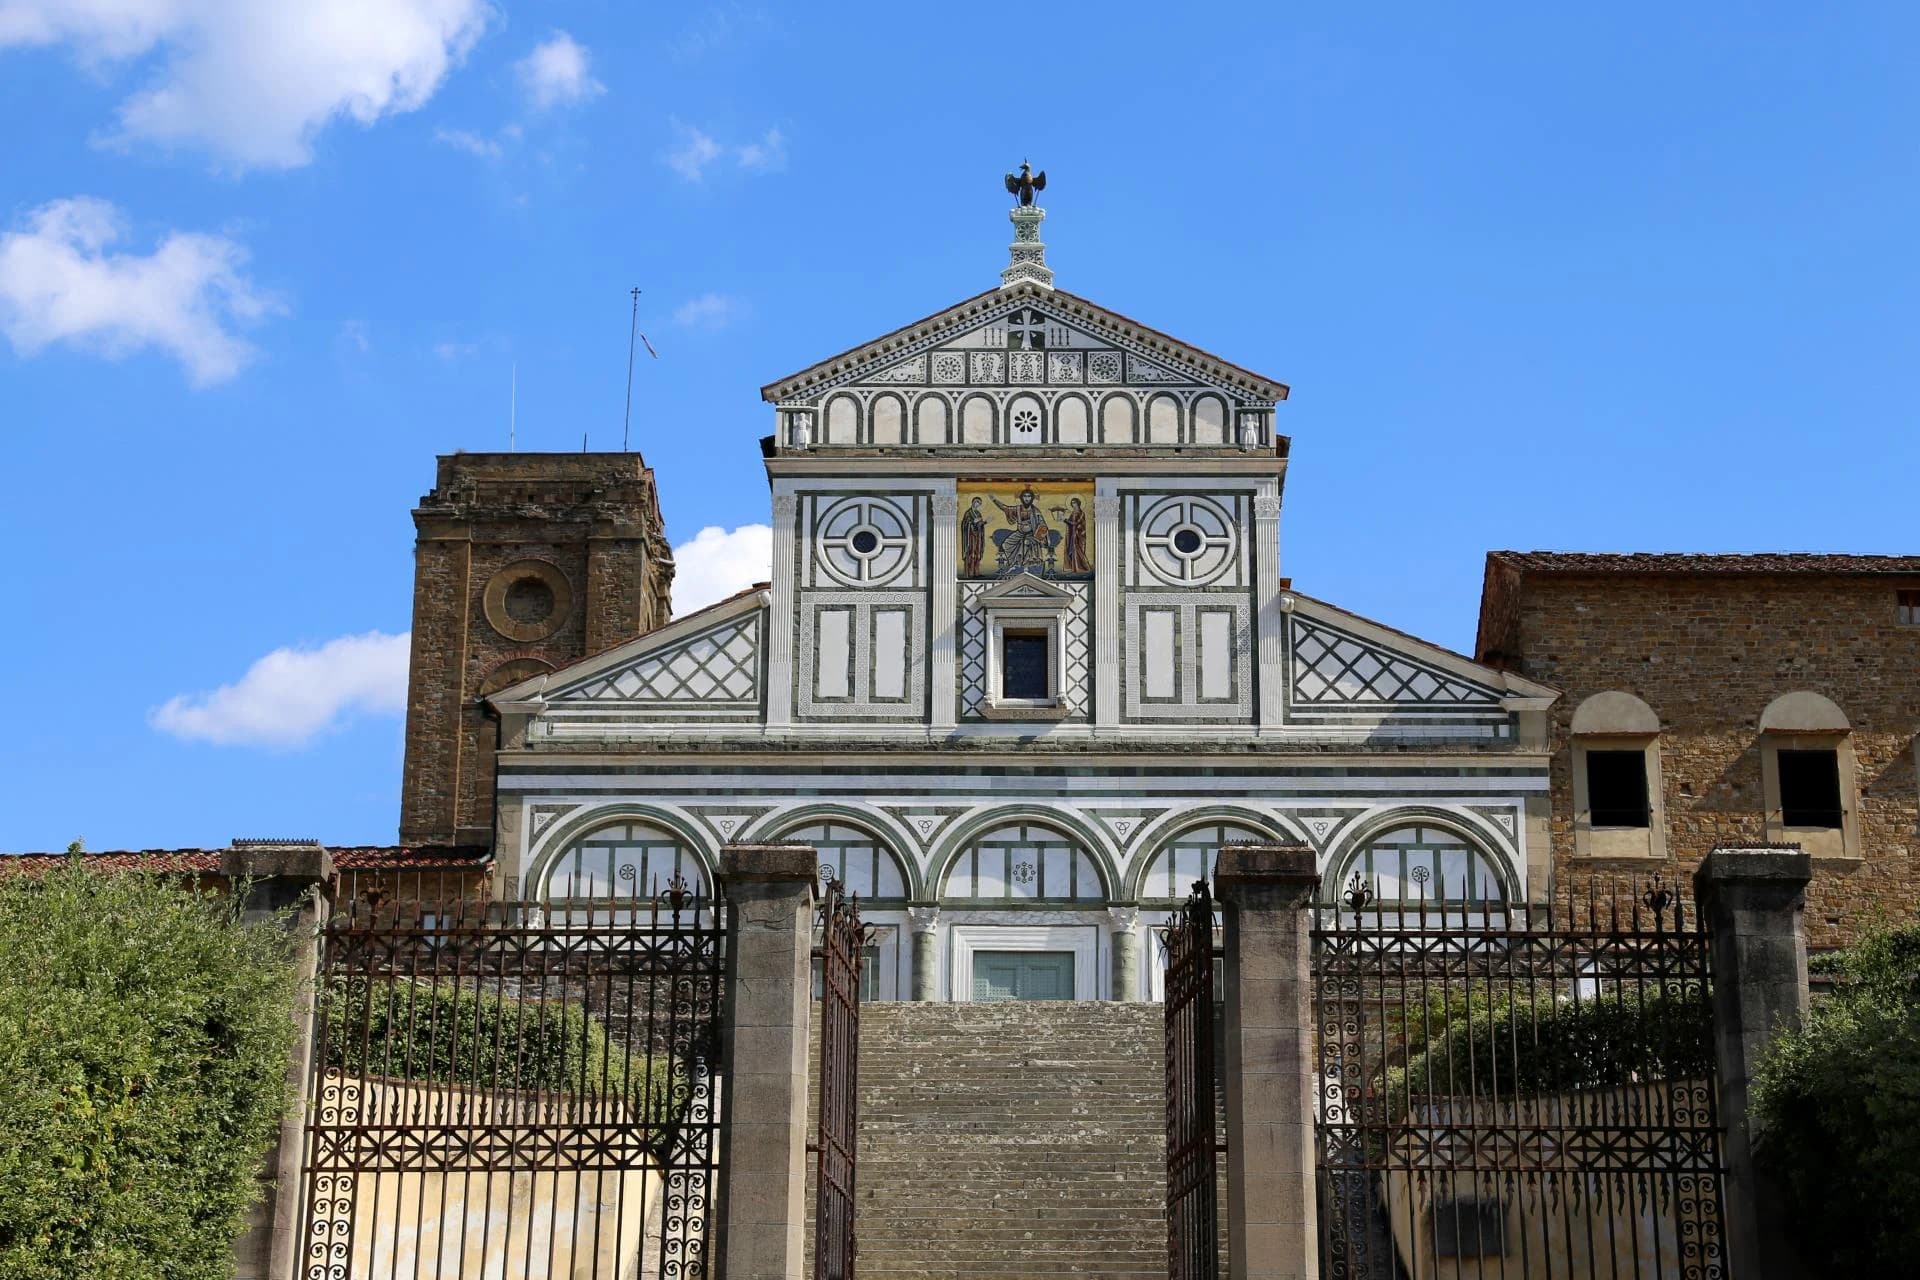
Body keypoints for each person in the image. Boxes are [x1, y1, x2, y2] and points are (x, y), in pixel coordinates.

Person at [990, 488, 1052, 575]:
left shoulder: (1035, 511)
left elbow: (1042, 525)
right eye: (1025, 496)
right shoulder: (1018, 509)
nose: (1027, 498)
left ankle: (1027, 569)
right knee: (1006, 544)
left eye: (1029, 496)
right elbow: (1005, 508)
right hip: (1020, 533)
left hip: (1032, 535)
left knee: (1027, 544)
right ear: (1022, 498)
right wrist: (994, 500)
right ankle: (1014, 563)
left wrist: (1036, 532)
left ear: (1032, 498)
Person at [961, 496, 987, 577]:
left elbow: (980, 525)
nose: (977, 504)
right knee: (971, 554)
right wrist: (972, 522)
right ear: (973, 502)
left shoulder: (978, 513)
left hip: (978, 536)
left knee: (977, 554)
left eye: (979, 503)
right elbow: (965, 524)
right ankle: (970, 573)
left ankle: (976, 572)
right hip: (970, 537)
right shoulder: (968, 513)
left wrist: (985, 522)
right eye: (976, 502)